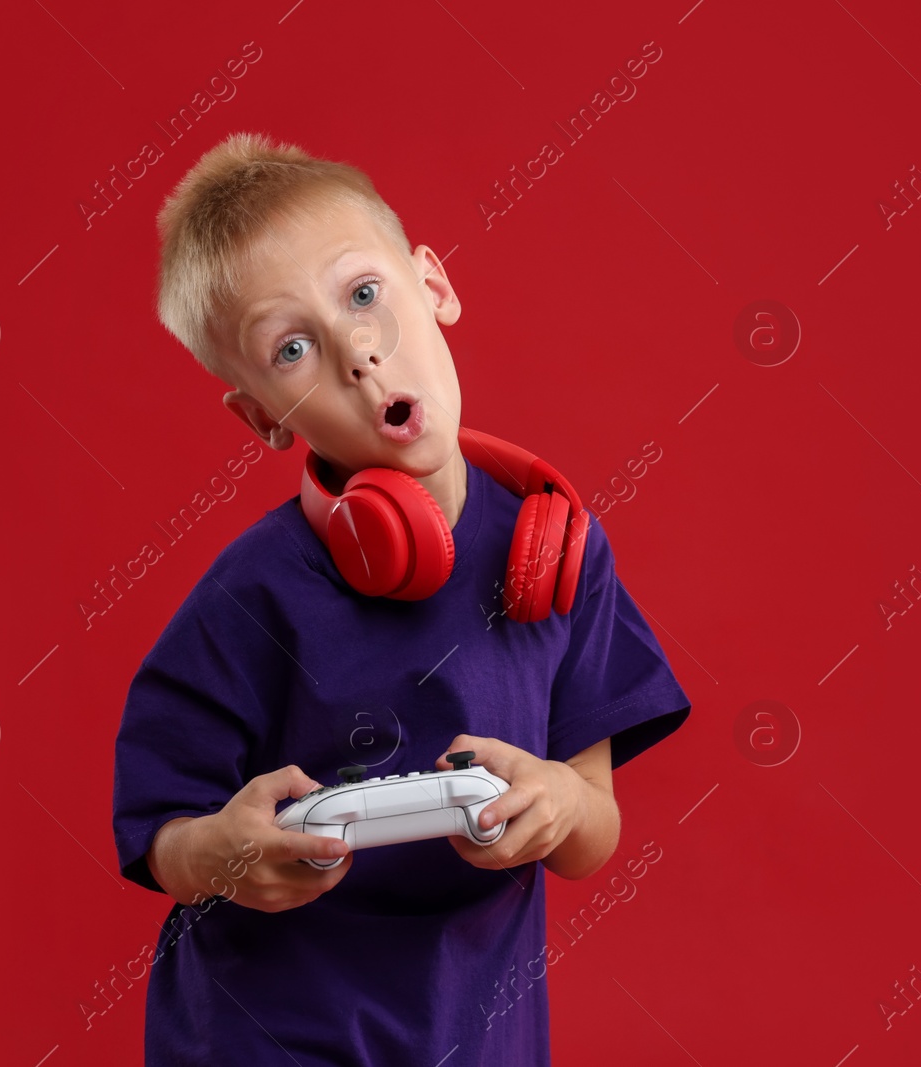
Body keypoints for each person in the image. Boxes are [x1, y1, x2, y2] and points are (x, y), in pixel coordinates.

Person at [111, 130, 692, 1065]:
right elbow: (164, 836)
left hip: (475, 1035)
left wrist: (556, 804)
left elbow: (594, 829)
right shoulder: (248, 596)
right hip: (263, 1038)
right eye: (292, 347)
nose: (358, 354)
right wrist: (225, 851)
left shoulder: (556, 552)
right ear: (264, 415)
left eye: (365, 295)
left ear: (434, 286)